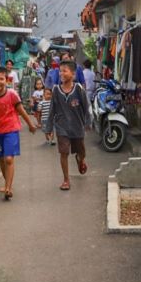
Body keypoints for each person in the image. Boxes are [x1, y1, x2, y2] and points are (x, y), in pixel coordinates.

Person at [0, 67, 36, 201]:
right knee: (1, 158)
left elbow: (21, 110)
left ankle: (8, 188)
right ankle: (6, 182)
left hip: (11, 129)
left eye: (1, 79)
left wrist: (30, 124)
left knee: (8, 159)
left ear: (6, 80)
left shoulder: (12, 94)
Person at [47, 61, 91, 191]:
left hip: (77, 127)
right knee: (63, 153)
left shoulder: (78, 89)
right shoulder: (55, 90)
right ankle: (66, 179)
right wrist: (49, 128)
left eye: (64, 71)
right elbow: (52, 110)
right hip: (62, 127)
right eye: (60, 71)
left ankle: (80, 159)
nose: (61, 73)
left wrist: (88, 122)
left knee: (81, 151)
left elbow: (86, 107)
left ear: (73, 74)